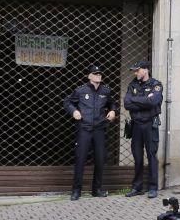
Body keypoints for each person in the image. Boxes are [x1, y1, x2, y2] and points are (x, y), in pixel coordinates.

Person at [63, 64, 118, 201]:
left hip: (99, 129)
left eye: (100, 73)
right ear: (89, 76)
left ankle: (96, 189)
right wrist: (74, 111)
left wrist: (112, 111)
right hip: (84, 129)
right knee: (80, 159)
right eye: (95, 73)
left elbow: (112, 103)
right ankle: (76, 191)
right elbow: (67, 102)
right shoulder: (81, 91)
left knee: (100, 159)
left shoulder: (106, 91)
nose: (98, 75)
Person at [123, 60, 163, 199]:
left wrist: (137, 100)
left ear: (145, 70)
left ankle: (153, 187)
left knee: (152, 156)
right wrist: (145, 100)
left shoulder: (156, 85)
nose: (135, 73)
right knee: (137, 156)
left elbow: (153, 102)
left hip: (150, 125)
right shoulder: (132, 84)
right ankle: (137, 187)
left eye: (137, 70)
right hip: (136, 125)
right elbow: (127, 103)